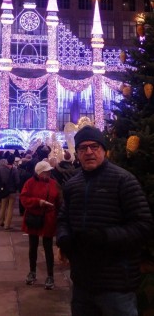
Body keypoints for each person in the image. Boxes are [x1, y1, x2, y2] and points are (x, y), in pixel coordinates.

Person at [56, 125, 154, 316]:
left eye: (94, 146)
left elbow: (143, 226)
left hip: (116, 284)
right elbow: (63, 219)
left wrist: (104, 237)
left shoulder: (123, 180)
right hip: (83, 282)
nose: (89, 152)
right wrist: (64, 238)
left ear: (104, 150)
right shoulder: (72, 185)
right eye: (83, 148)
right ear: (77, 153)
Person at [20, 160, 61, 290]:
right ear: (40, 172)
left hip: (49, 218)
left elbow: (59, 201)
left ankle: (50, 275)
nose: (49, 173)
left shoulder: (54, 184)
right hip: (34, 218)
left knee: (48, 248)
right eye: (46, 171)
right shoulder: (30, 183)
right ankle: (32, 272)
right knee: (33, 246)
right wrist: (39, 202)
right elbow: (24, 199)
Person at [0, 153, 20, 230]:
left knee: (3, 206)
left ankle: (1, 221)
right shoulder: (14, 169)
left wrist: (1, 187)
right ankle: (7, 224)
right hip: (12, 191)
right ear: (13, 161)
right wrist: (17, 188)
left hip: (4, 190)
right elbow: (17, 181)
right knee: (10, 208)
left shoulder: (1, 168)